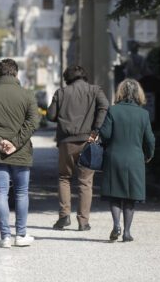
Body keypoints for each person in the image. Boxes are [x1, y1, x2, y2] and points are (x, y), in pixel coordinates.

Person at [0, 58, 39, 248]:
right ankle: (21, 234)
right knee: (21, 193)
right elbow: (33, 122)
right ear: (16, 73)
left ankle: (5, 237)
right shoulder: (28, 96)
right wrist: (15, 143)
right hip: (21, 152)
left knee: (1, 192)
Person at [47, 65, 109, 231]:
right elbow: (105, 107)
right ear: (84, 76)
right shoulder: (95, 90)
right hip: (87, 140)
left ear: (67, 78)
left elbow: (51, 115)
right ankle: (83, 222)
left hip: (66, 142)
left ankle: (63, 217)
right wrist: (95, 130)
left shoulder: (61, 92)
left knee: (64, 178)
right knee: (85, 182)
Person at [99, 79, 155, 242]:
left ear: (120, 93)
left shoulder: (113, 111)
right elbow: (150, 139)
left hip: (114, 156)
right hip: (135, 159)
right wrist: (149, 154)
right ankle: (127, 232)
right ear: (138, 94)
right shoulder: (143, 114)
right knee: (130, 197)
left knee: (115, 194)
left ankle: (116, 224)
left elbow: (105, 134)